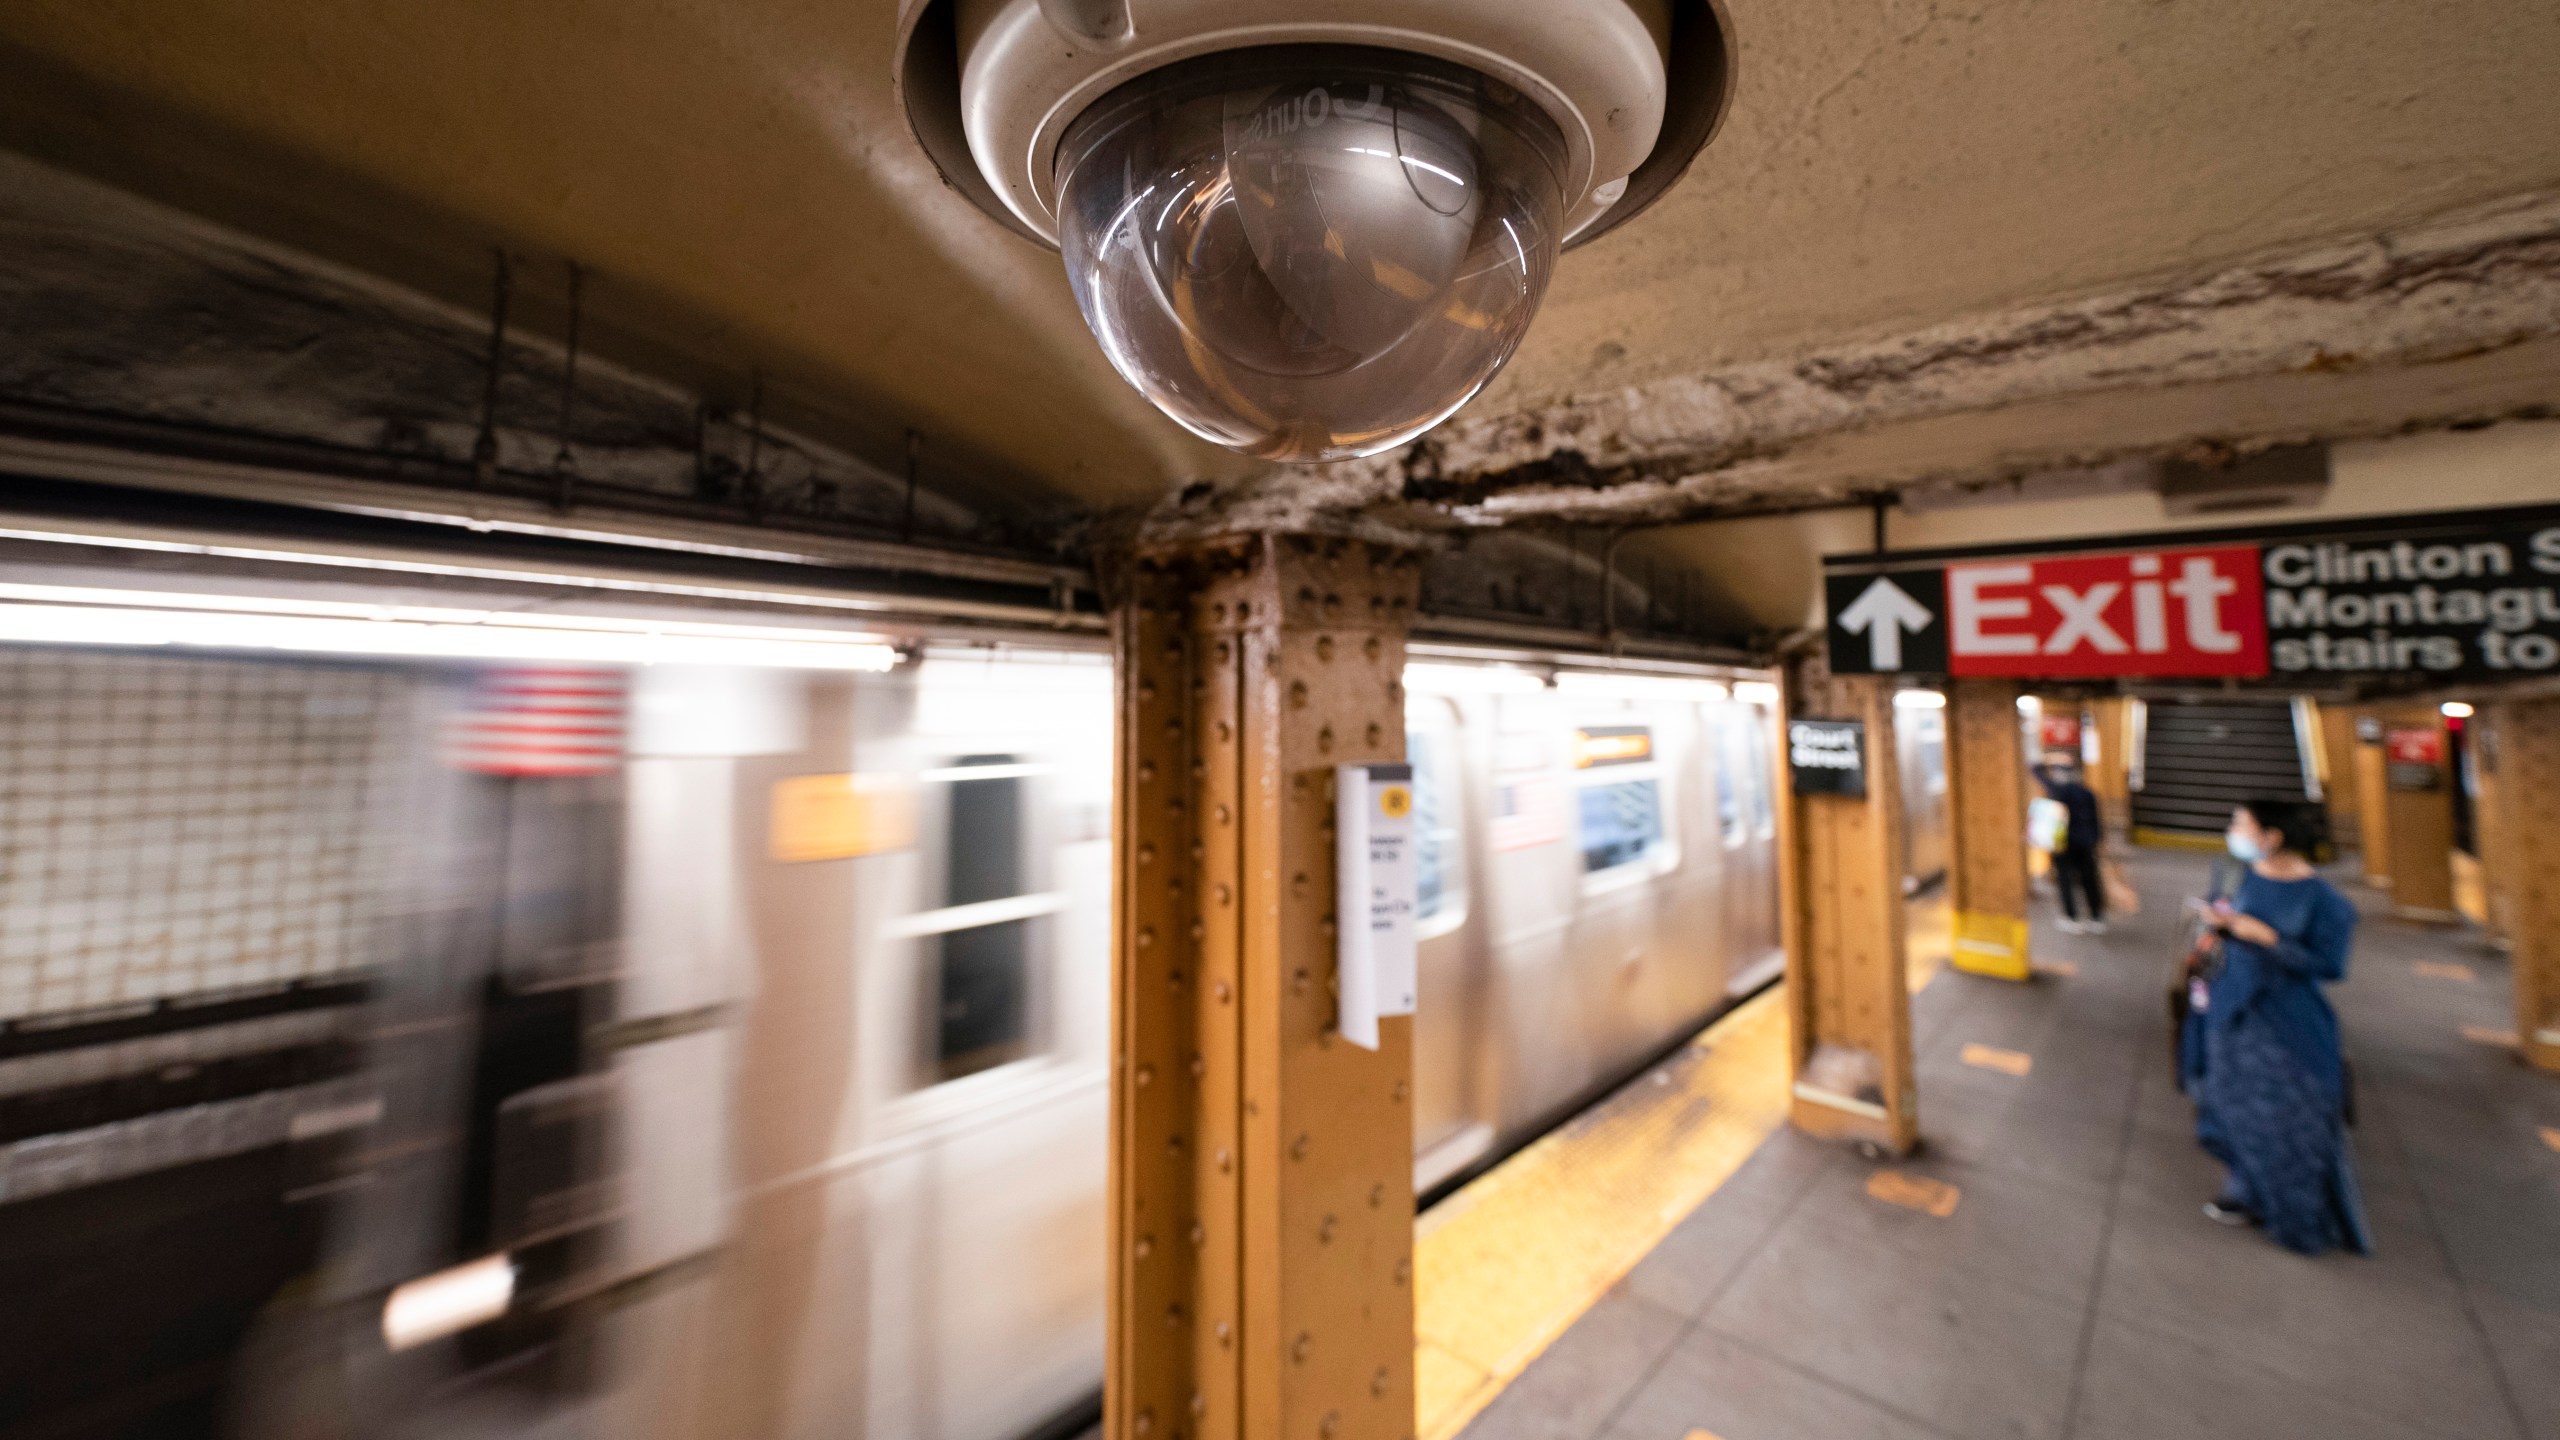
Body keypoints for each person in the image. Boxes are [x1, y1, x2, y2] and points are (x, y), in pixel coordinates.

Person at [2192, 798, 2370, 1256]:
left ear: (2273, 837)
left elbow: (2330, 966)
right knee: (2230, 1103)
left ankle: (2296, 1216)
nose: (2233, 831)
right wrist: (2220, 927)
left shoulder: (2327, 903)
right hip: (2231, 1006)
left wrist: (2269, 938)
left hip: (2288, 1021)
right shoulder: (2238, 874)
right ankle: (2245, 1191)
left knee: (2289, 1121)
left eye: (2241, 824)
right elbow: (2228, 923)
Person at [2033, 751, 2107, 934]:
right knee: (2089, 879)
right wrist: (2097, 840)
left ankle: (2072, 917)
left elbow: (2034, 769)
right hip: (2086, 843)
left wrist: (2049, 758)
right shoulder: (2088, 793)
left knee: (2065, 880)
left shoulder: (2057, 791)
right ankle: (2096, 916)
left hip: (2063, 844)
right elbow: (2097, 821)